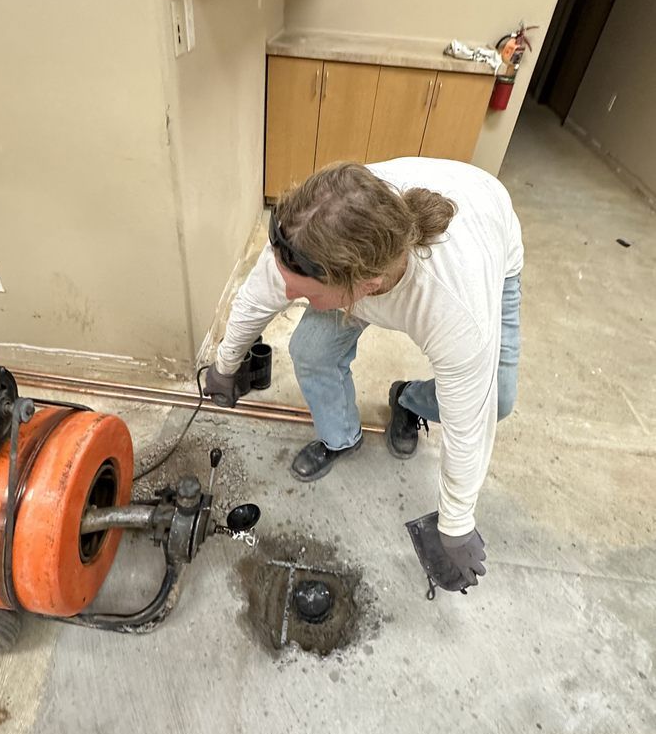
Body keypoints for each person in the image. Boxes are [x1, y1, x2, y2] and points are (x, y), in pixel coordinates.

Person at [205, 158, 523, 592]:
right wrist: (226, 365)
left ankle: (408, 401)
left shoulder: (456, 306)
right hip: (362, 265)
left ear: (365, 287)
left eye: (304, 292)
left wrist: (456, 523)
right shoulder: (304, 233)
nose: (288, 296)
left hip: (490, 232)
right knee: (310, 350)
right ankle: (341, 436)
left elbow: (470, 423)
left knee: (499, 399)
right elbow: (255, 301)